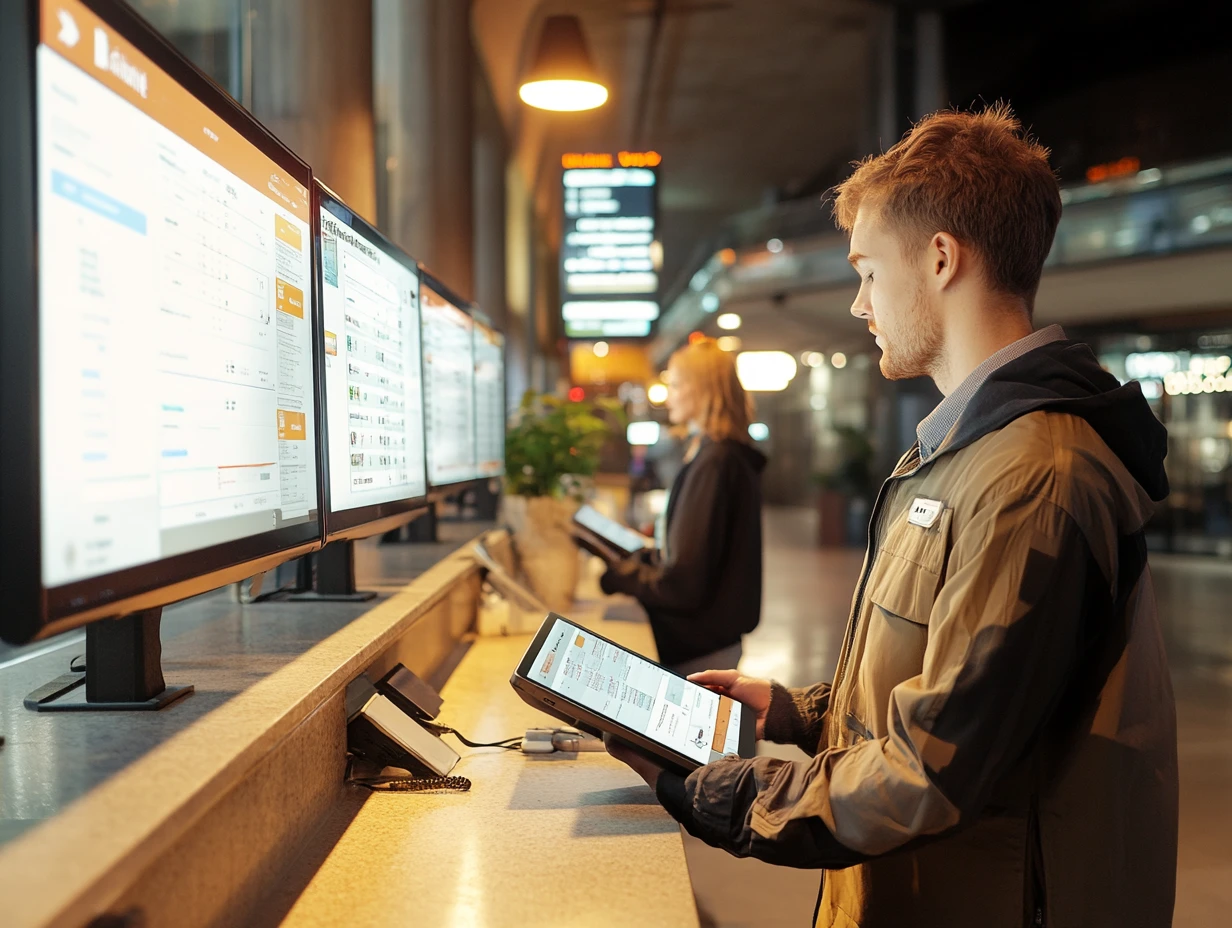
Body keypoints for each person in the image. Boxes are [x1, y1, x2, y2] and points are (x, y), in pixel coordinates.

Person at [606, 104, 1178, 927]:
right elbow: (949, 684)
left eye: (868, 271)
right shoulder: (963, 449)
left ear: (941, 259)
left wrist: (714, 792)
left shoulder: (1033, 474)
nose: (858, 303)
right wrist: (792, 710)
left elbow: (929, 773)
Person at [599, 338, 767, 676]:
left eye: (675, 384)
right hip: (711, 639)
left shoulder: (716, 461)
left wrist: (621, 577)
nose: (669, 394)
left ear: (701, 389)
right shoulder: (716, 453)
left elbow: (684, 583)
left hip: (700, 649)